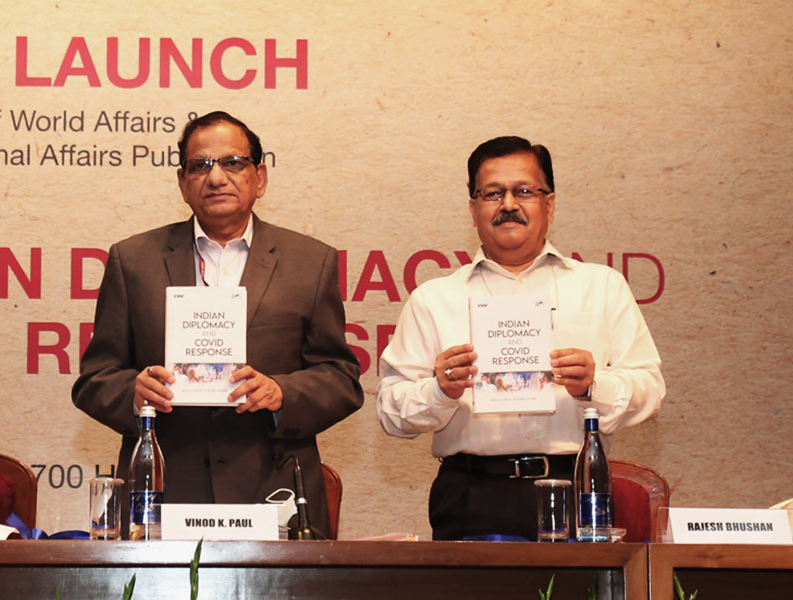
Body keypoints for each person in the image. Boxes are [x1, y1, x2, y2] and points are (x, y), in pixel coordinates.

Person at [72, 111, 362, 535]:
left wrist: (282, 391)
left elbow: (341, 380)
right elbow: (94, 380)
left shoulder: (310, 262)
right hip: (165, 492)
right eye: (201, 165)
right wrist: (134, 394)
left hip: (272, 486)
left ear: (259, 177)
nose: (216, 177)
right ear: (182, 182)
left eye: (233, 163)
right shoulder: (133, 261)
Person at [376, 137, 664, 541]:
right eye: (492, 193)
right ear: (473, 208)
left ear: (549, 204)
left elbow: (651, 391)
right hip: (471, 494)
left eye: (524, 191)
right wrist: (440, 390)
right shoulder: (434, 299)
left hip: (577, 489)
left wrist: (594, 385)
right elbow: (391, 413)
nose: (508, 204)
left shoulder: (602, 287)